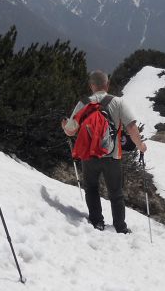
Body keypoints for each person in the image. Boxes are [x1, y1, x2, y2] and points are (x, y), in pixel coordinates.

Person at [62, 70, 146, 233]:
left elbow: (71, 131)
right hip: (112, 156)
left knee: (92, 188)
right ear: (107, 85)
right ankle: (120, 227)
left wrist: (64, 127)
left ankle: (97, 222)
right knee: (116, 192)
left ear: (91, 86)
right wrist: (140, 145)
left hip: (89, 155)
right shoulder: (118, 102)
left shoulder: (83, 103)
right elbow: (131, 127)